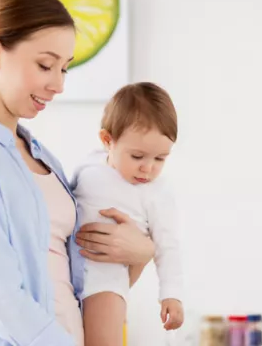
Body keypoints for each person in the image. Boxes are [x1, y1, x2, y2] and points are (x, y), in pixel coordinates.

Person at [0, 0, 154, 345]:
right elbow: (3, 298)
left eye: (64, 68)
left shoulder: (44, 159)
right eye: (45, 65)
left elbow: (71, 282)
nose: (57, 84)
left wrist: (142, 254)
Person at [71, 82, 185, 346]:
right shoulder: (90, 165)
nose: (148, 168)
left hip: (105, 281)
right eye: (137, 156)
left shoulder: (157, 193)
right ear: (107, 141)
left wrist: (171, 295)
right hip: (64, 271)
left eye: (160, 159)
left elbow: (168, 246)